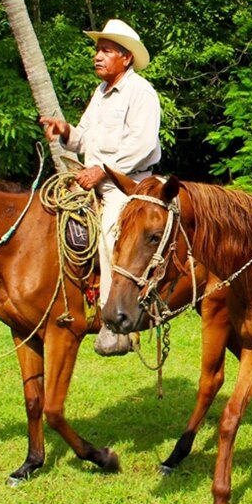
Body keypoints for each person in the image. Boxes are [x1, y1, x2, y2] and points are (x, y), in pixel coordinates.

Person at [40, 19, 161, 356]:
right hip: (92, 181)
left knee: (111, 236)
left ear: (126, 58)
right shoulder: (101, 93)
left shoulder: (141, 93)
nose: (98, 56)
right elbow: (84, 138)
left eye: (106, 51)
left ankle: (115, 324)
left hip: (127, 186)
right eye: (98, 50)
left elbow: (143, 144)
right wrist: (66, 131)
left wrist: (102, 171)